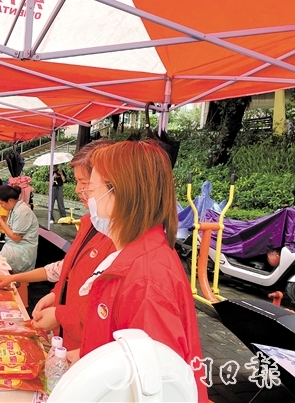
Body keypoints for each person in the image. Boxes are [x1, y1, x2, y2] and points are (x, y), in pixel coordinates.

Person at [61, 140, 207, 402]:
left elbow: (156, 387)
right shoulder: (136, 256)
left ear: (120, 194)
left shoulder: (146, 280)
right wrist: (89, 361)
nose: (87, 199)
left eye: (91, 189)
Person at [0, 140, 117, 352]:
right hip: (71, 341)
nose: (78, 190)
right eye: (77, 182)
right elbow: (68, 267)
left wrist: (61, 314)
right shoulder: (91, 223)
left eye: (85, 183)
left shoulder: (124, 243)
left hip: (87, 349)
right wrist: (54, 294)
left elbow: (110, 314)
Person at [0, 185, 39, 273]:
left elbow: (16, 238)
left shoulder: (22, 211)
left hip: (21, 251)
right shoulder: (15, 209)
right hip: (13, 245)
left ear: (10, 200)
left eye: (2, 203)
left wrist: (1, 222)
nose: (1, 206)